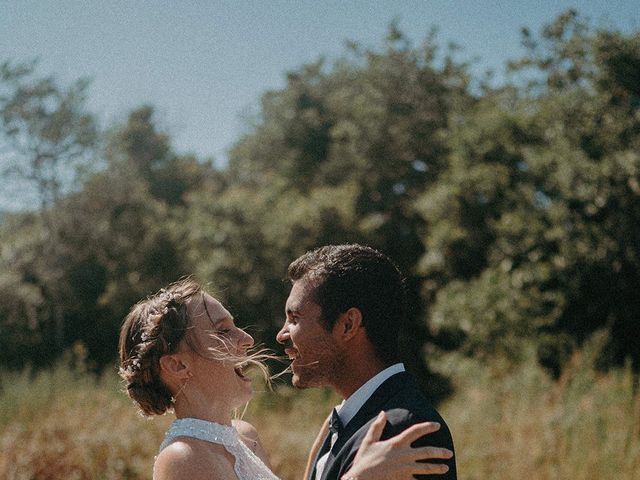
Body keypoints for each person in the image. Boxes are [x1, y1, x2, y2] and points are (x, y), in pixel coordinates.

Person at [118, 278, 453, 480]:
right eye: (222, 331)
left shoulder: (245, 436)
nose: (246, 340)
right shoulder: (182, 459)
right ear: (177, 365)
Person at [276, 244, 457, 480]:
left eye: (295, 318)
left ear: (348, 325)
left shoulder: (404, 431)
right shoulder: (349, 419)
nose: (281, 335)